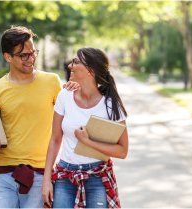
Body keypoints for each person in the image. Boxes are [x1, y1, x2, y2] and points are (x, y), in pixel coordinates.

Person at [0, 26, 78, 208]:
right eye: (24, 55)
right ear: (8, 57)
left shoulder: (51, 82)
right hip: (4, 173)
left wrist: (76, 93)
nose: (31, 59)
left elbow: (71, 118)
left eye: (32, 52)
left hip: (40, 173)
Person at [42, 47, 128, 208]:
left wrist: (87, 142)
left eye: (75, 62)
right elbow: (54, 140)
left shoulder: (110, 104)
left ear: (90, 70)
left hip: (97, 177)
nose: (70, 65)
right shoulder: (64, 96)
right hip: (64, 176)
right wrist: (47, 180)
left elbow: (122, 151)